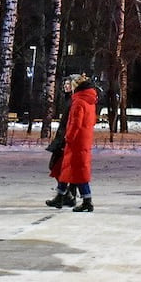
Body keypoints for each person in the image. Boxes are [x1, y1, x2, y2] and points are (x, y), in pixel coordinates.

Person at [51, 75, 97, 212]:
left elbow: (75, 123)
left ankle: (87, 201)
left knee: (78, 171)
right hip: (84, 139)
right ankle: (60, 196)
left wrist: (68, 138)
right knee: (68, 169)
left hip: (76, 141)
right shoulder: (89, 101)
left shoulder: (78, 102)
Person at [44, 75, 80, 207]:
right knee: (60, 168)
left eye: (68, 84)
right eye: (65, 83)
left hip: (66, 139)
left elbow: (72, 123)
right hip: (63, 138)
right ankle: (66, 195)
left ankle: (66, 195)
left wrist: (67, 139)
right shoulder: (69, 100)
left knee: (59, 167)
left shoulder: (74, 101)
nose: (65, 86)